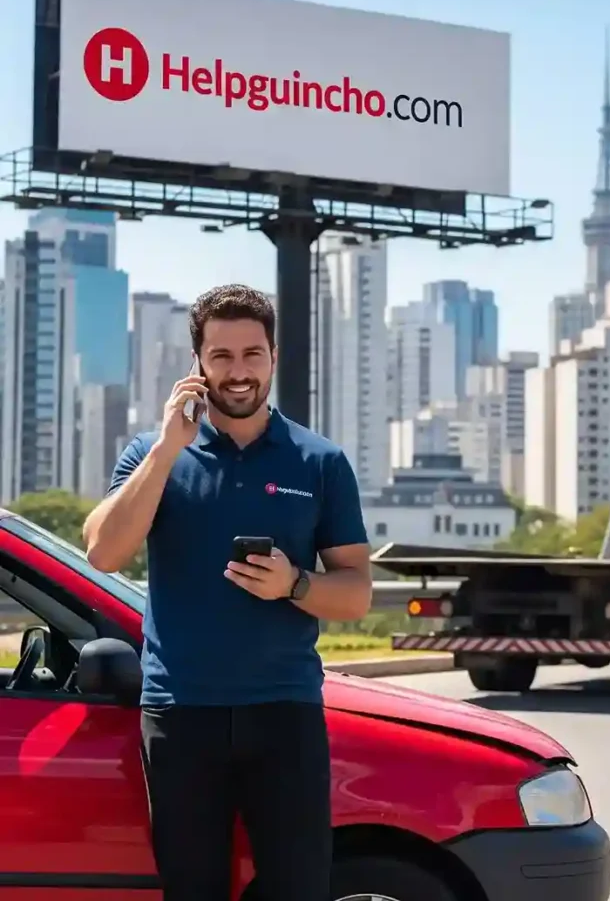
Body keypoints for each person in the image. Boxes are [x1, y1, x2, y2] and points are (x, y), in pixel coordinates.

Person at [82, 284, 372, 901]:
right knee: (193, 890)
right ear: (197, 364)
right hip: (181, 714)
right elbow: (103, 553)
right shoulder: (152, 453)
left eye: (252, 355)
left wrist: (293, 583)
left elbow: (355, 595)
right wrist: (167, 448)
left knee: (298, 890)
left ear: (272, 357)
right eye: (221, 356)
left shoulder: (320, 462)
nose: (238, 373)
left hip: (285, 713)